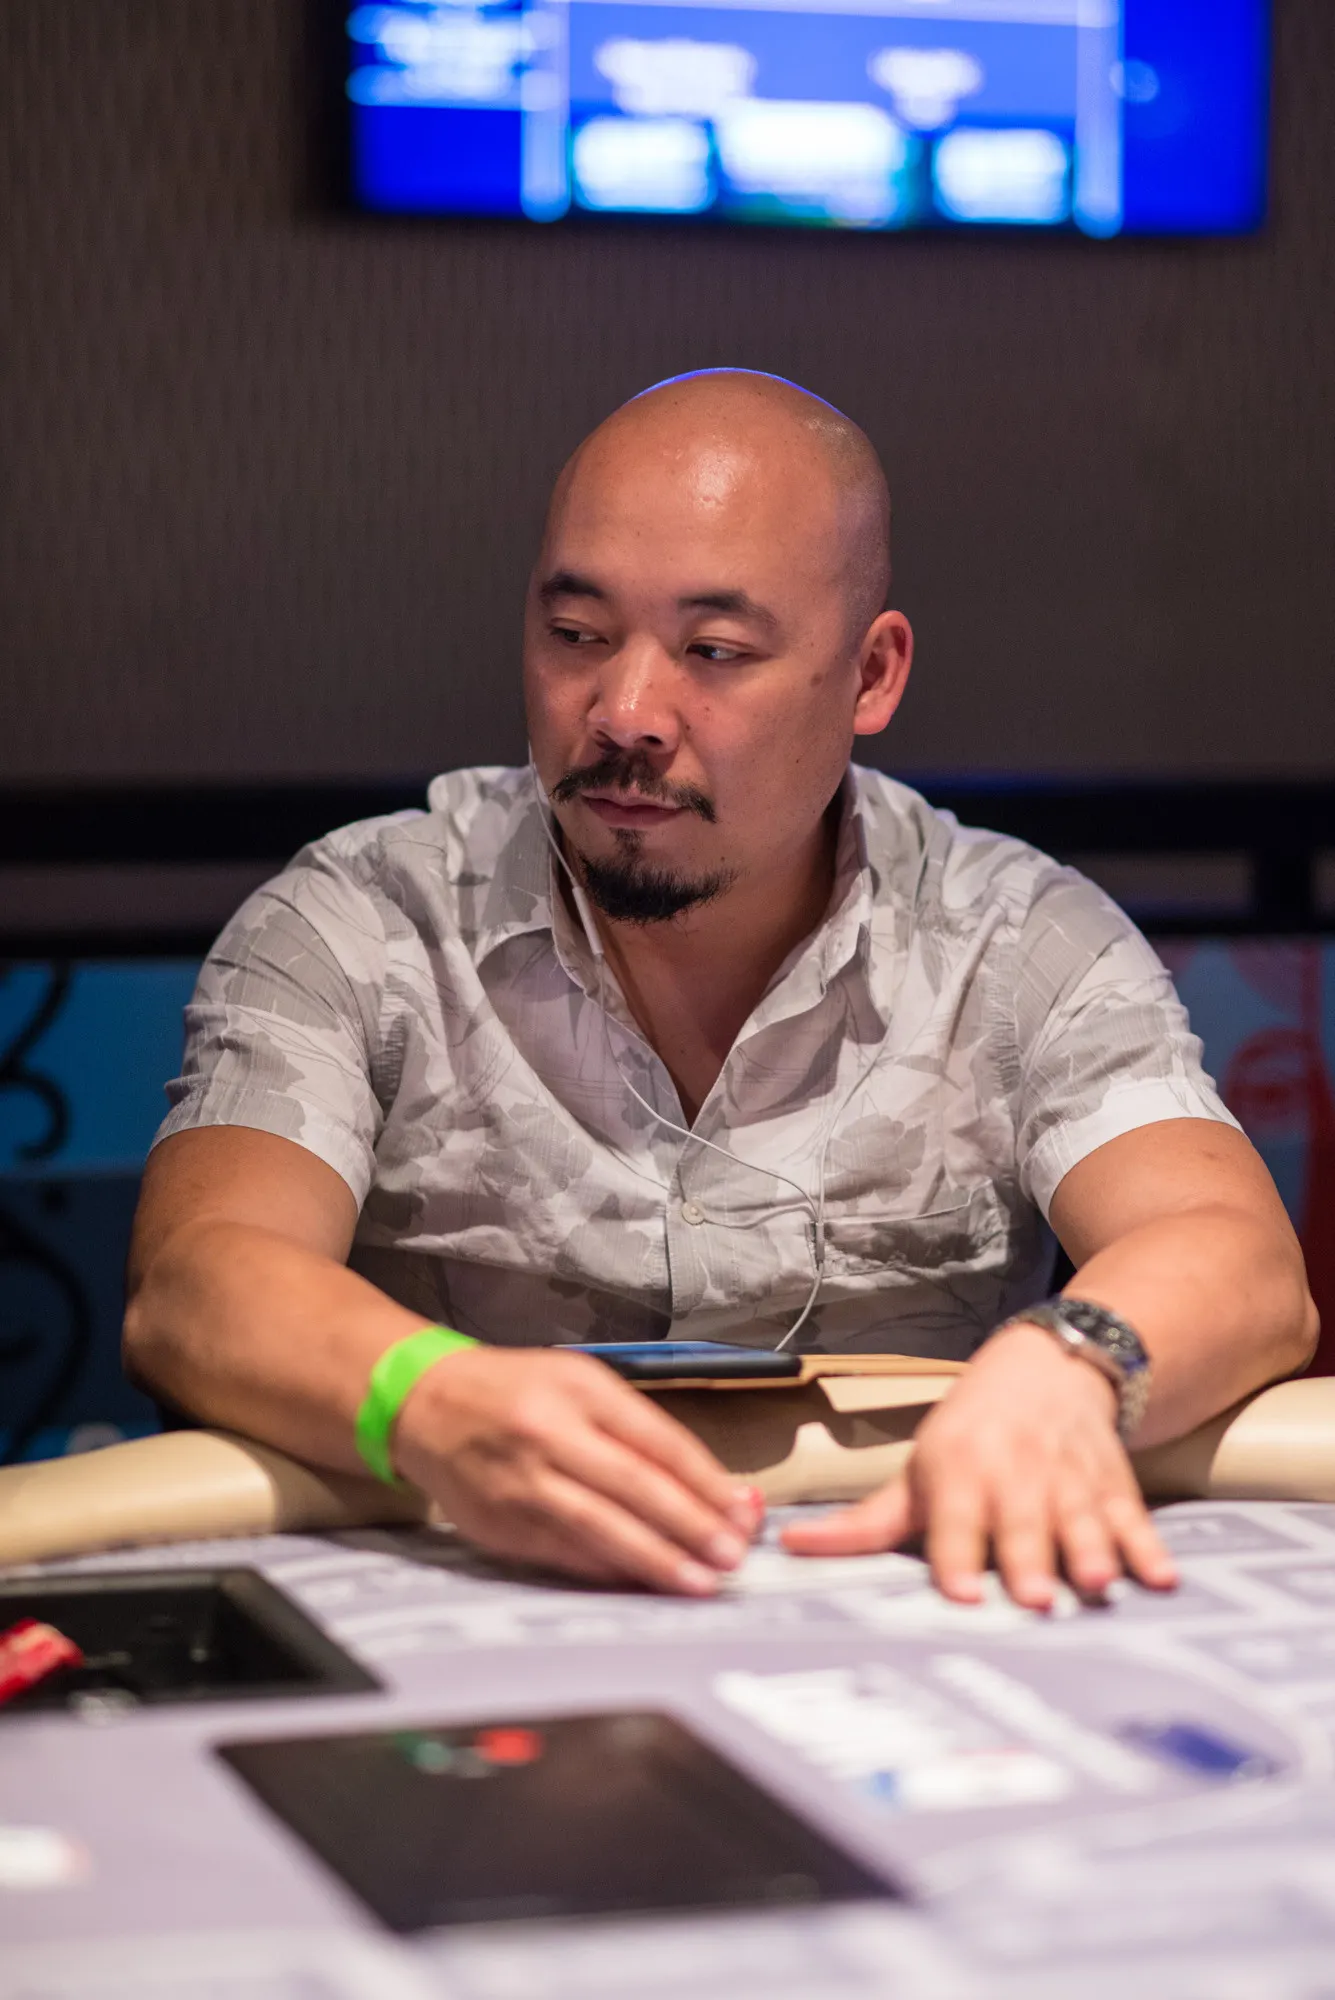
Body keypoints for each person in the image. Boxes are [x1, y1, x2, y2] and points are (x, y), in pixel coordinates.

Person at [124, 369, 1316, 1610]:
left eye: (715, 651)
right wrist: (424, 1396)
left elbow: (1237, 1257)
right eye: (576, 634)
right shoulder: (362, 918)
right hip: (458, 1581)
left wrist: (1071, 1361)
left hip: (905, 1593)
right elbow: (194, 1278)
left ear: (871, 674)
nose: (626, 712)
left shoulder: (1013, 935)